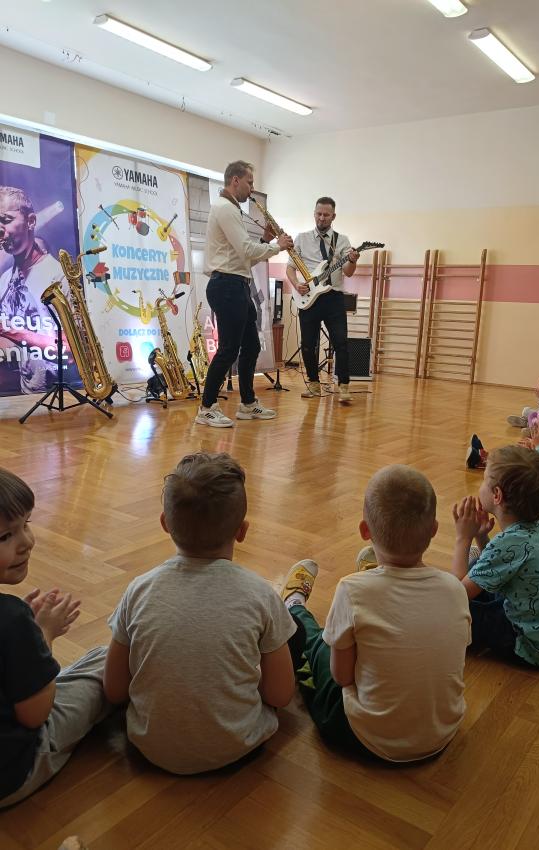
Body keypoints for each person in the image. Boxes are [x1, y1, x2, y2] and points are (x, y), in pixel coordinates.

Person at [103, 452, 305, 773]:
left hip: (149, 749)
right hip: (238, 748)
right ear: (242, 531)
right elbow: (280, 696)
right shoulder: (260, 593)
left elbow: (114, 690)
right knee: (293, 629)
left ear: (165, 524)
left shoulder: (138, 590)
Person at [280, 465, 471, 762]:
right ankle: (375, 578)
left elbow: (342, 677)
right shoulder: (455, 588)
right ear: (434, 530)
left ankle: (294, 605)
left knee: (319, 644)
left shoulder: (350, 590)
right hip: (440, 733)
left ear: (364, 530)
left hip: (362, 737)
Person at [0, 468, 108, 809]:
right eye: (5, 536)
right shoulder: (11, 618)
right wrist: (43, 635)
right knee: (104, 661)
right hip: (12, 773)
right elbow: (35, 715)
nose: (27, 542)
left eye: (26, 524)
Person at [452, 447, 539, 668]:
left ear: (497, 495)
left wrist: (462, 538)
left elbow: (455, 596)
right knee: (476, 566)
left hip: (532, 647)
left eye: (484, 480)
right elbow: (500, 565)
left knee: (446, 608)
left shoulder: (510, 542)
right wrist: (481, 535)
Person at [195, 162, 293, 428]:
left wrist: (265, 242)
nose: (252, 188)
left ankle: (248, 404)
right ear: (235, 180)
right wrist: (277, 246)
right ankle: (206, 407)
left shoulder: (231, 209)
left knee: (251, 346)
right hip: (226, 286)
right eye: (250, 182)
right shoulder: (225, 208)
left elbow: (244, 259)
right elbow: (247, 251)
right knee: (228, 349)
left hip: (237, 284)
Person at [286, 197, 360, 403]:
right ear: (314, 214)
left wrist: (352, 261)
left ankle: (344, 386)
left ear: (333, 216)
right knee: (308, 344)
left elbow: (349, 272)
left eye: (326, 215)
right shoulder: (301, 238)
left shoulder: (342, 240)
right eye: (318, 214)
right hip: (308, 297)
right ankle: (313, 384)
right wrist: (296, 284)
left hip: (333, 297)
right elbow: (290, 268)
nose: (321, 218)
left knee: (341, 342)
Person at [0, 186, 65, 394]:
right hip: (25, 392)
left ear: (31, 221)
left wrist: (9, 331)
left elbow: (70, 352)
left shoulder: (58, 276)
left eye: (6, 220)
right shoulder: (4, 280)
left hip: (62, 395)